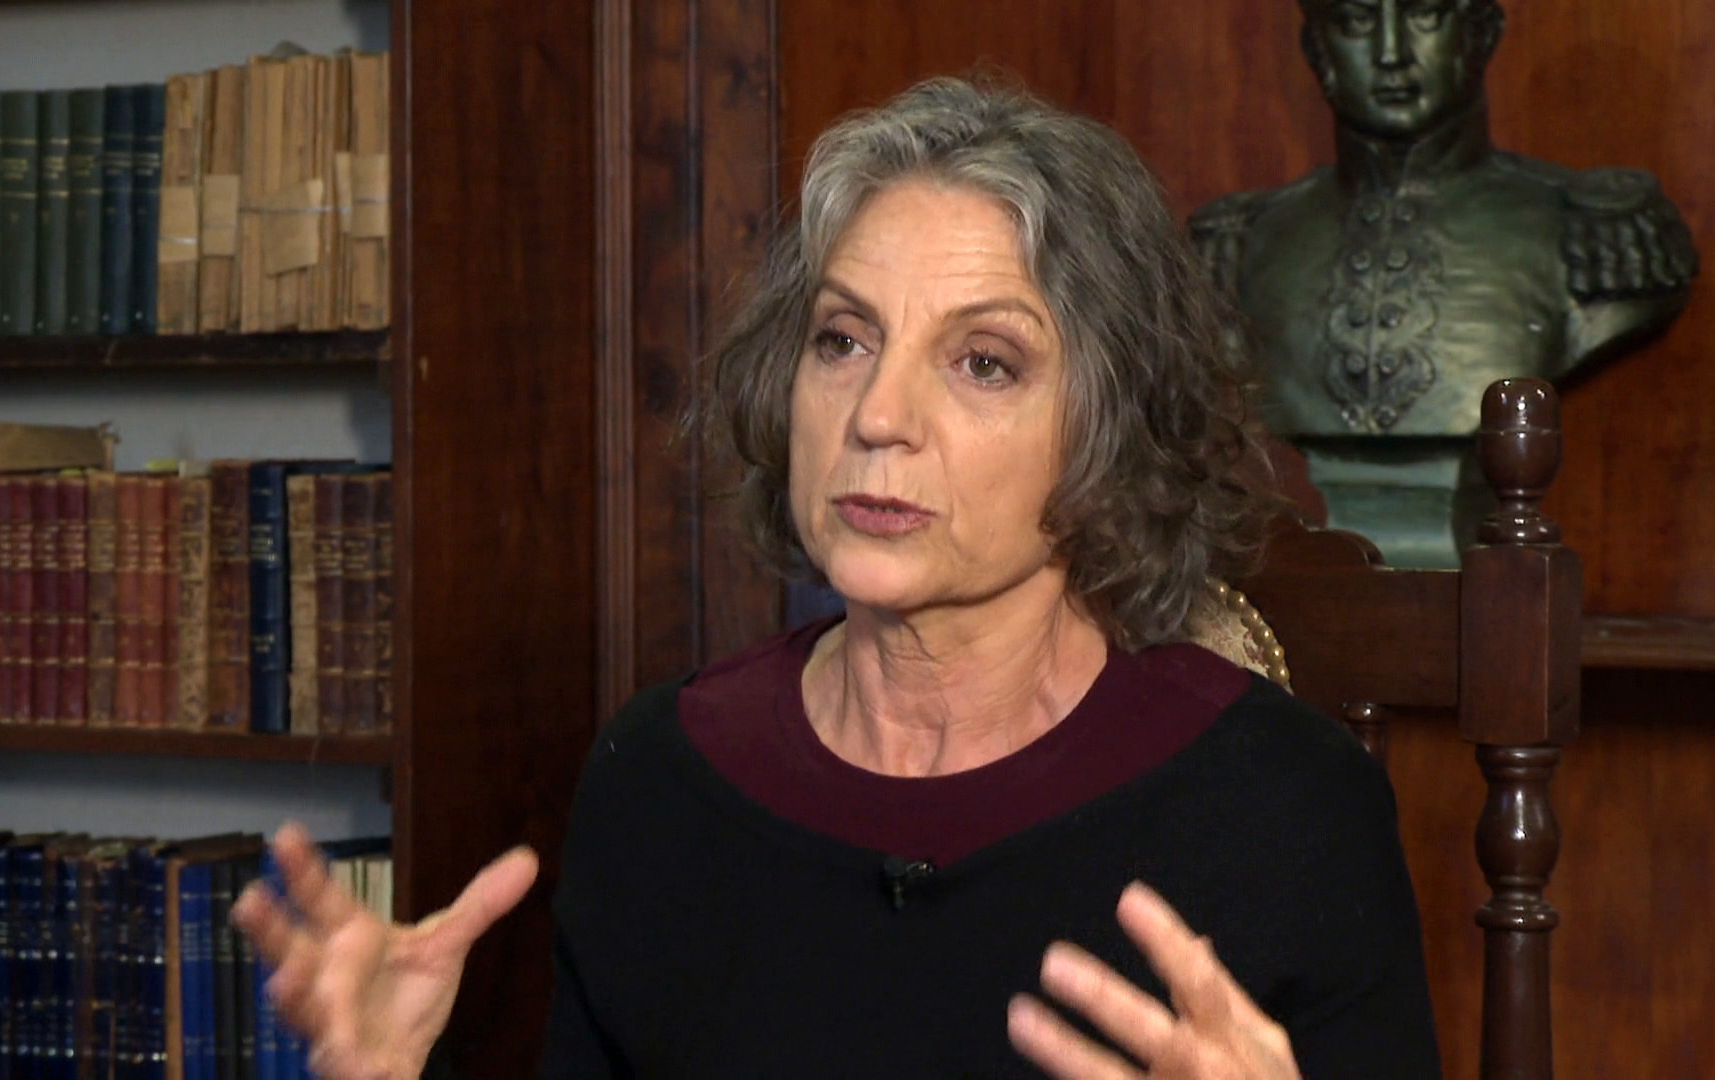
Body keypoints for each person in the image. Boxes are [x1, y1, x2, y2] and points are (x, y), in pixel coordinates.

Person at [235, 76, 1441, 1079]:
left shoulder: (1285, 808)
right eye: (843, 339)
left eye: (983, 362)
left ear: (1107, 430)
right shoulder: (660, 779)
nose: (877, 414)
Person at [1189, 0, 1695, 565]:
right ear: (1316, 50)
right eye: (1357, 20)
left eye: (1425, 14)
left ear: (1482, 34)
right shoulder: (1242, 244)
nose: (1391, 54)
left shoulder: (1592, 232)